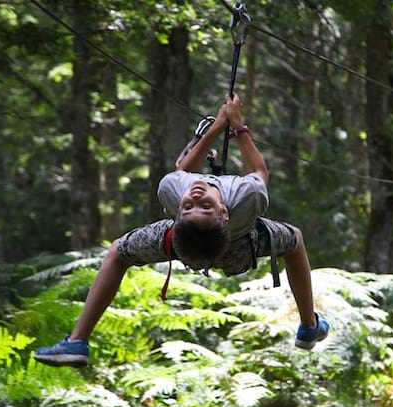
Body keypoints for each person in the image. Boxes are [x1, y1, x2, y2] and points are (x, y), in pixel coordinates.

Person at [34, 94, 329, 368]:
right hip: (241, 246)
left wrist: (216, 127)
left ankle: (77, 341)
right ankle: (308, 326)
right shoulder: (245, 197)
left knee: (118, 252)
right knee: (295, 240)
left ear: (176, 216)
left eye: (189, 208)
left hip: (189, 244)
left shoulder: (173, 191)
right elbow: (260, 173)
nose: (195, 199)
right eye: (202, 208)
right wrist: (237, 126)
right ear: (223, 213)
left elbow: (183, 172)